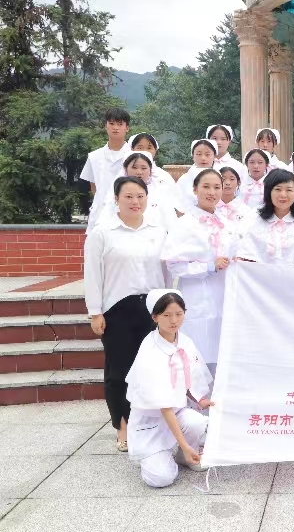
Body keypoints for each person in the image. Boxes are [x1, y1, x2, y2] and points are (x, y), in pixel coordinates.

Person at [84, 176, 167, 452]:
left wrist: (170, 306)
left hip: (152, 309)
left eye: (140, 196)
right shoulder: (103, 233)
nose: (135, 202)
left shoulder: (158, 231)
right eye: (128, 196)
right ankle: (123, 427)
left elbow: (166, 271)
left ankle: (151, 425)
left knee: (152, 370)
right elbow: (92, 274)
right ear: (116, 199)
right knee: (119, 371)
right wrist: (95, 312)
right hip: (117, 309)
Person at [125, 289, 214, 488]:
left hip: (176, 413)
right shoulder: (150, 351)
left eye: (179, 314)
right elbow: (164, 407)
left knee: (197, 421)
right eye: (167, 315)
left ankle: (184, 456)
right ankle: (160, 455)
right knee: (161, 479)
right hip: (152, 423)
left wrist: (201, 400)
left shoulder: (185, 341)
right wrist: (184, 444)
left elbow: (191, 378)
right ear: (155, 317)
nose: (174, 321)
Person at [161, 169, 234, 376]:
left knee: (223, 359)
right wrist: (208, 266)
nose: (212, 192)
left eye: (217, 187)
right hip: (198, 298)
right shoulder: (184, 224)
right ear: (195, 189)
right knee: (198, 359)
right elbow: (174, 265)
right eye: (206, 187)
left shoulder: (227, 224)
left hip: (225, 298)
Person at [236, 169, 294, 264]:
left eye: (289, 190)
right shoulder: (253, 220)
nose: (283, 195)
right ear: (268, 192)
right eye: (278, 189)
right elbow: (245, 253)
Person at [98, 152, 178, 232]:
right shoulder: (118, 192)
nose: (139, 172)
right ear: (125, 169)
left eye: (144, 168)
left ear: (150, 171)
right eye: (134, 168)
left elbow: (170, 222)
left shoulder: (161, 193)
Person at [81, 108, 131, 232]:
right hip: (100, 213)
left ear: (127, 128)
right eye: (112, 123)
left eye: (120, 124)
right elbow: (93, 187)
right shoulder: (94, 156)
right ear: (105, 126)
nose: (115, 128)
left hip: (127, 212)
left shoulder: (134, 156)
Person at [175, 140, 217, 213]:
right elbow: (177, 202)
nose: (203, 158)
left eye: (207, 154)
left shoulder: (220, 176)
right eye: (198, 154)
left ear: (214, 156)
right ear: (193, 156)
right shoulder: (184, 179)